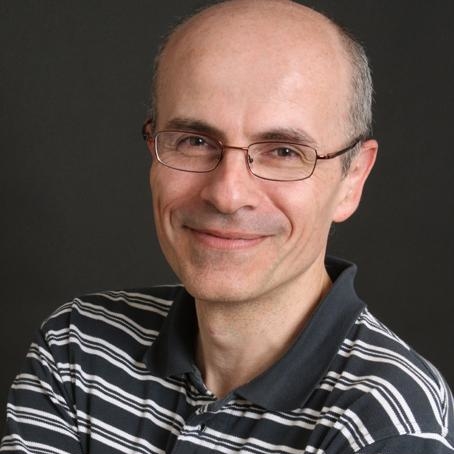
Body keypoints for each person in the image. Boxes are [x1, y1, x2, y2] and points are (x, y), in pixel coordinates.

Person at [1, 0, 453, 452]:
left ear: (352, 180)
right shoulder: (79, 346)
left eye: (283, 151)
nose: (227, 194)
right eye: (194, 141)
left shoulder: (386, 423)